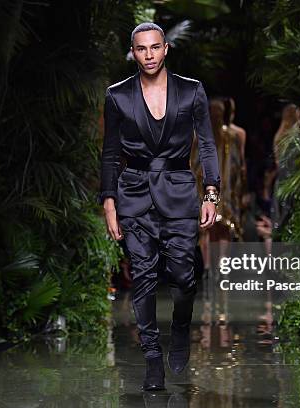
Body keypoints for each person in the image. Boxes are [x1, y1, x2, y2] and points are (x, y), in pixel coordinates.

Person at [98, 22, 220, 391]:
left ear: (166, 48)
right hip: (133, 195)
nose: (148, 55)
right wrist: (109, 201)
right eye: (141, 49)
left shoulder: (191, 90)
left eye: (154, 47)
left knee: (184, 277)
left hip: (180, 192)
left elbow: (208, 144)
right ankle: (152, 357)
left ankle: (181, 329)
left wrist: (211, 192)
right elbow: (110, 154)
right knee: (144, 277)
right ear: (132, 52)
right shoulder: (117, 96)